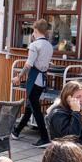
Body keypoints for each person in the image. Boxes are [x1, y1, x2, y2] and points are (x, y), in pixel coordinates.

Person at [10, 19, 53, 148]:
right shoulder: (49, 46)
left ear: (35, 31)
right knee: (31, 105)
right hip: (42, 79)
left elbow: (28, 64)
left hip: (34, 78)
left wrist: (18, 77)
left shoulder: (35, 45)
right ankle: (17, 131)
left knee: (35, 108)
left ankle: (45, 137)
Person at [47, 81, 82, 149]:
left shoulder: (74, 110)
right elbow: (72, 137)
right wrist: (76, 112)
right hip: (69, 154)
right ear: (67, 98)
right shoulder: (58, 114)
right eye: (78, 97)